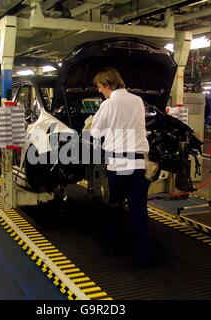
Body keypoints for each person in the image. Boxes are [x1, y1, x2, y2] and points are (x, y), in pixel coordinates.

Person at [89, 67, 154, 267]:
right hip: (140, 164)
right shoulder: (137, 101)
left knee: (114, 207)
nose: (99, 91)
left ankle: (113, 247)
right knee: (138, 210)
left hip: (119, 165)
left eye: (100, 87)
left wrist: (93, 123)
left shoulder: (108, 105)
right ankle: (143, 255)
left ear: (108, 85)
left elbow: (94, 133)